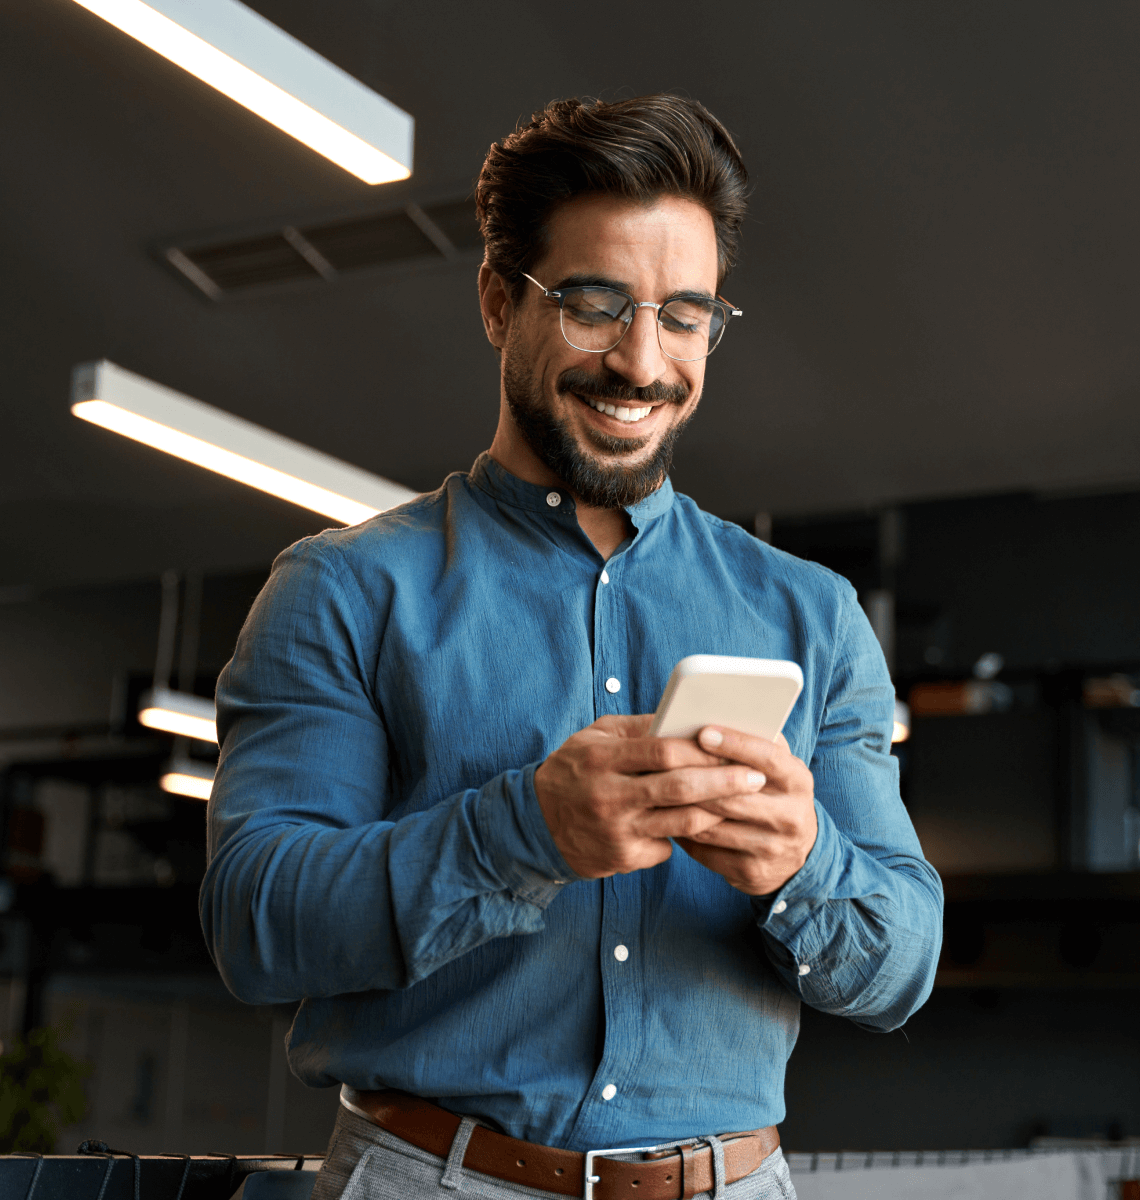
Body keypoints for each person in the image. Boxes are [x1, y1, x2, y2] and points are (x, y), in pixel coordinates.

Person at [200, 94, 943, 1200]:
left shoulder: (814, 614)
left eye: (685, 315)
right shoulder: (344, 590)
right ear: (501, 302)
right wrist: (524, 831)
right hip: (430, 1180)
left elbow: (905, 966)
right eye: (596, 304)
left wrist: (803, 865)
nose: (643, 362)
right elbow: (257, 923)